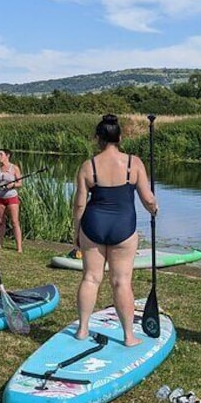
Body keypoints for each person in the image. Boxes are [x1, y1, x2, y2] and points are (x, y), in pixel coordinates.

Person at [72, 114, 158, 347]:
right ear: (119, 137)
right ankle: (129, 336)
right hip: (123, 226)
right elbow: (148, 199)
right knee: (121, 281)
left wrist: (76, 232)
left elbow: (79, 204)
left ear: (98, 139)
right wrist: (153, 208)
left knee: (90, 278)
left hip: (93, 225)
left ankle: (82, 329)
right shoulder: (134, 163)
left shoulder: (88, 166)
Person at [0, 149, 23, 252]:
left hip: (11, 198)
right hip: (0, 198)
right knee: (0, 221)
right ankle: (0, 244)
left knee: (15, 222)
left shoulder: (14, 168)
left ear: (7, 156)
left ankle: (19, 247)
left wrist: (13, 185)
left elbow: (20, 183)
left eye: (1, 154)